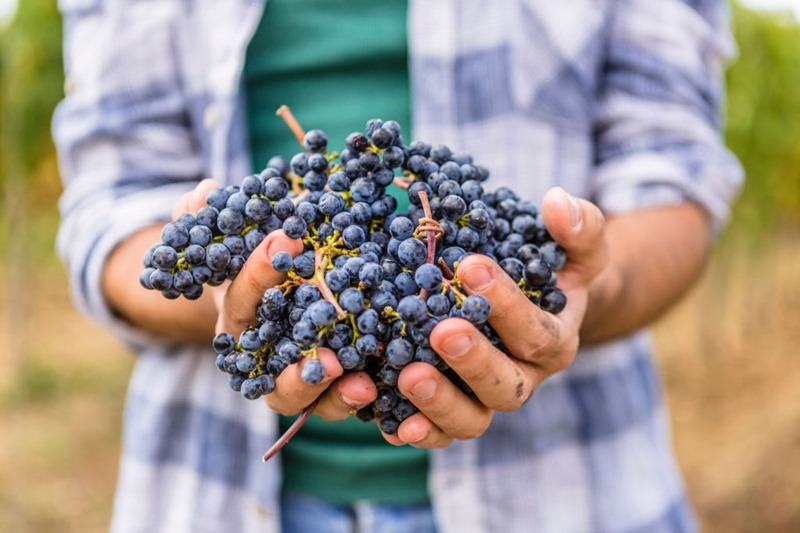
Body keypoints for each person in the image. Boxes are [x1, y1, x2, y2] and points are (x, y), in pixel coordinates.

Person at [53, 1, 743, 532]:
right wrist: (219, 295)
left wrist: (589, 286)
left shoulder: (441, 231)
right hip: (205, 493)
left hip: (577, 494)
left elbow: (675, 174)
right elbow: (111, 212)